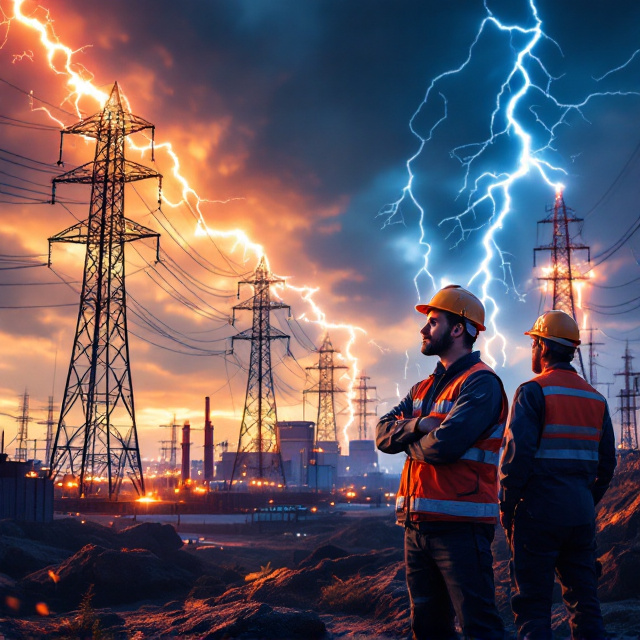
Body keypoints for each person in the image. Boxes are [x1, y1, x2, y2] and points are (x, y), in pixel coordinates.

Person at [376, 284, 507, 640]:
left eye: (433, 322)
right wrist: (418, 425)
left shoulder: (481, 384)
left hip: (460, 527)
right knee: (428, 627)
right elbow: (381, 435)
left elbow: (444, 447)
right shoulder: (420, 389)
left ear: (458, 329)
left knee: (479, 626)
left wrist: (408, 444)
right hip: (416, 528)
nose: (423, 329)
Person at [499, 310, 617, 640]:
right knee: (585, 602)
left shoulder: (533, 391)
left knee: (533, 606)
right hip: (580, 515)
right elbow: (607, 465)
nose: (532, 350)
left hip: (537, 514)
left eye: (534, 343)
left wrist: (507, 509)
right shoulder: (596, 399)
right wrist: (584, 498)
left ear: (542, 345)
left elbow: (515, 461)